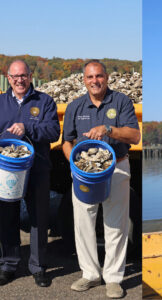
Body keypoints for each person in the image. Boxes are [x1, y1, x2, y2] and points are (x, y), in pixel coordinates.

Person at [62, 60, 140, 298]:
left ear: (107, 78)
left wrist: (108, 128)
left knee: (115, 224)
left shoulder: (122, 102)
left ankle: (113, 278)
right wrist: (74, 165)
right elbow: (67, 141)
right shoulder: (75, 106)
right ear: (83, 80)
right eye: (90, 77)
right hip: (85, 174)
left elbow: (135, 136)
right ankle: (90, 274)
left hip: (116, 167)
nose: (95, 81)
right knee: (83, 222)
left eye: (99, 76)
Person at [0, 60, 60, 286]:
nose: (19, 80)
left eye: (23, 75)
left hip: (38, 170)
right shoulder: (1, 102)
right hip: (8, 171)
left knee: (38, 219)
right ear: (8, 78)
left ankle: (38, 267)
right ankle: (8, 265)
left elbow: (54, 131)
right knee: (7, 217)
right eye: (15, 76)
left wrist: (28, 127)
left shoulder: (44, 101)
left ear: (31, 76)